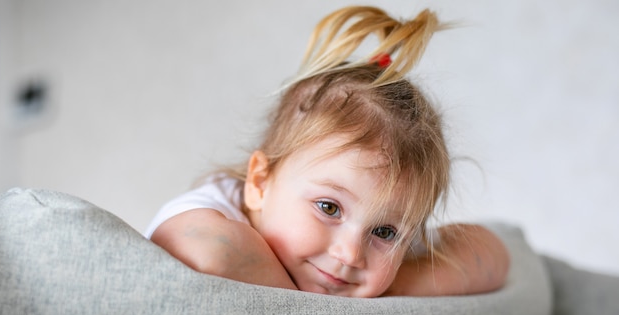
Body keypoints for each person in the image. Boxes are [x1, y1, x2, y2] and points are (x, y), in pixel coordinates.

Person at [145, 6, 510, 298]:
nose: (350, 255)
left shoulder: (376, 216)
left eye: (384, 232)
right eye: (329, 208)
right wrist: (310, 308)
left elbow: (494, 254)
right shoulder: (217, 210)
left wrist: (394, 285)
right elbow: (205, 250)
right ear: (259, 182)